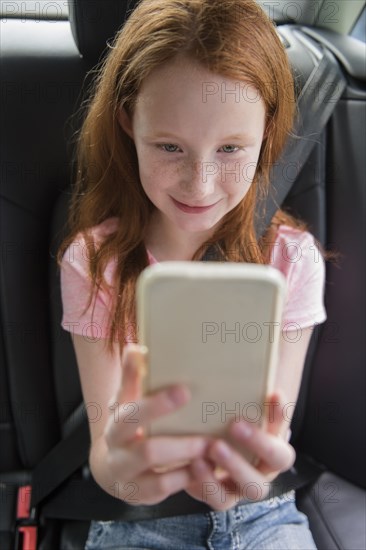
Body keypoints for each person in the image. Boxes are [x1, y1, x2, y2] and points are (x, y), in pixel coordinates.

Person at [58, 0, 326, 548]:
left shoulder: (292, 261)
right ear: (129, 122)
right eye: (169, 147)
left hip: (264, 519)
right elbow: (109, 461)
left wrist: (248, 476)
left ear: (267, 130)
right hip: (141, 525)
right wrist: (132, 473)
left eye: (230, 148)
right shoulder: (94, 264)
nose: (199, 185)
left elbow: (274, 430)